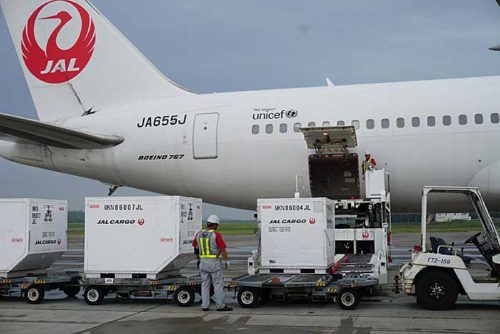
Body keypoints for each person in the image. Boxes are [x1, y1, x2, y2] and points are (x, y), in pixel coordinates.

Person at [192, 214, 232, 311]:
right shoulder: (216, 234)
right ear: (214, 224)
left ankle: (205, 306)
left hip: (203, 262)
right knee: (218, 284)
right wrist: (226, 260)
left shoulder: (199, 234)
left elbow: (195, 248)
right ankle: (220, 305)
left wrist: (198, 259)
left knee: (205, 284)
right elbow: (222, 249)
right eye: (217, 225)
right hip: (214, 262)